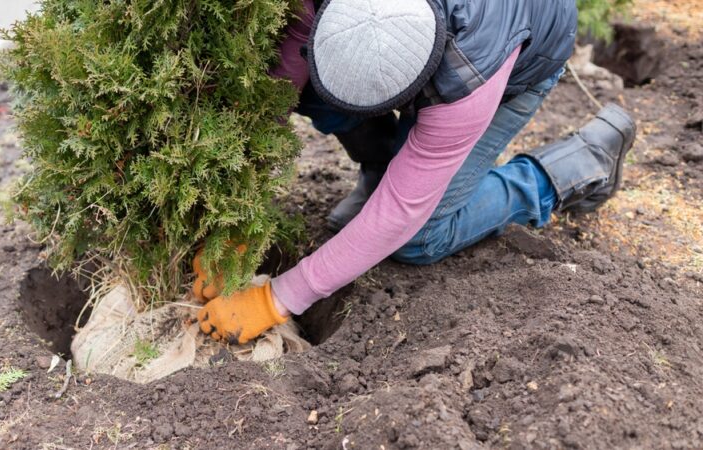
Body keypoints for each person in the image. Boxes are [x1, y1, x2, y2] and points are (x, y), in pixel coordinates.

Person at [195, 0, 636, 345]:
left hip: (525, 50)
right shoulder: (337, 13)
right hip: (444, 38)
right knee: (315, 94)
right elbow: (289, 67)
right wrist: (240, 216)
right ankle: (380, 168)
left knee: (419, 237)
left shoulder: (466, 82)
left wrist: (277, 299)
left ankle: (568, 169)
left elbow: (402, 210)